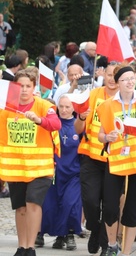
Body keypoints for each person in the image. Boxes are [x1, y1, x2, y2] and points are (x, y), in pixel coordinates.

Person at [96, 64, 136, 256]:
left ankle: (126, 252)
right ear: (117, 82)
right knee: (110, 206)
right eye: (125, 79)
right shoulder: (107, 106)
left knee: (132, 207)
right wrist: (108, 138)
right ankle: (113, 244)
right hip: (116, 160)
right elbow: (100, 135)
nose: (130, 82)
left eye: (133, 78)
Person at [0, 70, 61, 256]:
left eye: (28, 86)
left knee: (33, 204)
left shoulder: (43, 105)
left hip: (40, 168)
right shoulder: (6, 109)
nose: (24, 90)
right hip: (16, 167)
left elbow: (55, 124)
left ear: (34, 88)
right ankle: (21, 246)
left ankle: (31, 247)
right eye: (21, 86)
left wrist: (39, 120)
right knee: (20, 207)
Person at [76, 62, 119, 255]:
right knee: (91, 202)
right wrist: (82, 118)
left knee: (110, 205)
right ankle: (94, 227)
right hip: (90, 158)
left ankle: (104, 243)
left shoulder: (126, 100)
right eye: (108, 74)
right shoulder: (92, 95)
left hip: (115, 161)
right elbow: (78, 129)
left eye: (115, 75)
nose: (111, 78)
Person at [40, 95, 82, 251]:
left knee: (70, 204)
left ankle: (70, 234)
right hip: (54, 171)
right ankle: (58, 235)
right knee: (51, 205)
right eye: (61, 106)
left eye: (67, 107)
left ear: (74, 108)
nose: (64, 110)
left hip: (73, 173)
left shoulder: (78, 126)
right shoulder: (53, 124)